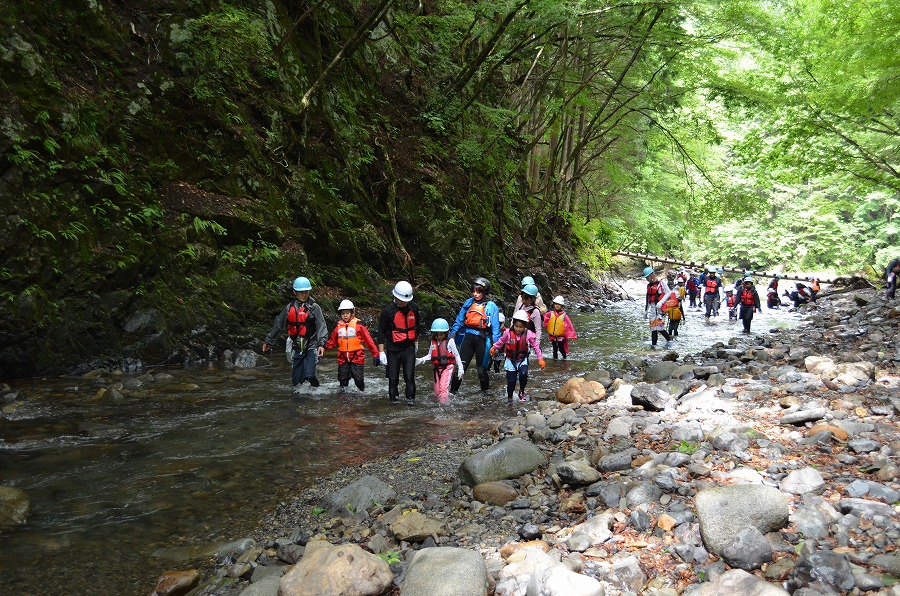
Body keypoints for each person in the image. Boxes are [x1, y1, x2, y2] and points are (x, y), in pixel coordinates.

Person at [262, 276, 328, 388]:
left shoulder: (314, 307)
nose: (304, 294)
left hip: (312, 345)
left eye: (306, 291)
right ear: (294, 292)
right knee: (296, 382)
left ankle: (317, 392)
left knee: (310, 375)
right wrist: (269, 341)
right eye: (301, 292)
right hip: (297, 346)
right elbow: (279, 325)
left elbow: (322, 326)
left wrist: (322, 344)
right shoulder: (289, 308)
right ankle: (299, 402)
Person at [450, 277, 501, 394]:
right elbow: (459, 320)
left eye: (478, 292)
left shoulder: (491, 306)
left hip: (483, 340)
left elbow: (496, 329)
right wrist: (452, 335)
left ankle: (485, 395)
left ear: (485, 292)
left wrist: (496, 346)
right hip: (467, 338)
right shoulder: (469, 302)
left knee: (481, 371)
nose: (475, 294)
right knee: (460, 368)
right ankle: (452, 393)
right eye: (474, 291)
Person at [377, 281, 421, 404]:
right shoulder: (387, 311)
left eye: (405, 300)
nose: (403, 302)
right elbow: (381, 332)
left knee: (409, 377)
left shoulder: (414, 308)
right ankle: (394, 402)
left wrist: (416, 344)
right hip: (393, 350)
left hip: (409, 349)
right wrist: (381, 352)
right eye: (401, 300)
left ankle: (411, 401)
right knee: (393, 379)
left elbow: (417, 328)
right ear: (395, 297)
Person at [323, 300, 380, 393]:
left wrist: (376, 355)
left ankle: (362, 393)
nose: (345, 315)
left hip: (357, 358)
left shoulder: (359, 326)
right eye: (343, 313)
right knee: (343, 383)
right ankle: (343, 401)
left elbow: (369, 342)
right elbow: (332, 341)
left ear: (352, 313)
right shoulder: (338, 327)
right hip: (343, 358)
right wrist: (323, 348)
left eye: (347, 313)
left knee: (358, 381)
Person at [490, 310, 545, 403]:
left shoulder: (528, 334)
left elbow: (535, 346)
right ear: (513, 324)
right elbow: (501, 341)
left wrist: (540, 359)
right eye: (516, 326)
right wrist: (494, 347)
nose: (518, 329)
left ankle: (521, 392)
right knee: (511, 381)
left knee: (523, 374)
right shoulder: (508, 332)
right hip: (510, 359)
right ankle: (510, 397)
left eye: (521, 327)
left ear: (525, 327)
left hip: (522, 359)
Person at [415, 318, 464, 405]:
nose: (438, 337)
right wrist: (421, 360)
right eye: (436, 335)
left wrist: (460, 368)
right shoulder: (433, 342)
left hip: (448, 367)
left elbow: (456, 354)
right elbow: (430, 355)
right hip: (437, 368)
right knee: (437, 391)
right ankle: (443, 402)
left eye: (441, 335)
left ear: (445, 333)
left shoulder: (450, 342)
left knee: (443, 388)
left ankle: (444, 406)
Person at [643, 267, 673, 348]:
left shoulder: (661, 283)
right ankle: (653, 347)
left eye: (647, 277)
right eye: (646, 277)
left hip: (660, 308)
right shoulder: (649, 286)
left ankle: (669, 340)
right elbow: (648, 298)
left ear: (652, 275)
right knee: (653, 328)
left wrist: (660, 302)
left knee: (659, 327)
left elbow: (668, 293)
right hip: (653, 308)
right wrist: (646, 310)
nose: (647, 279)